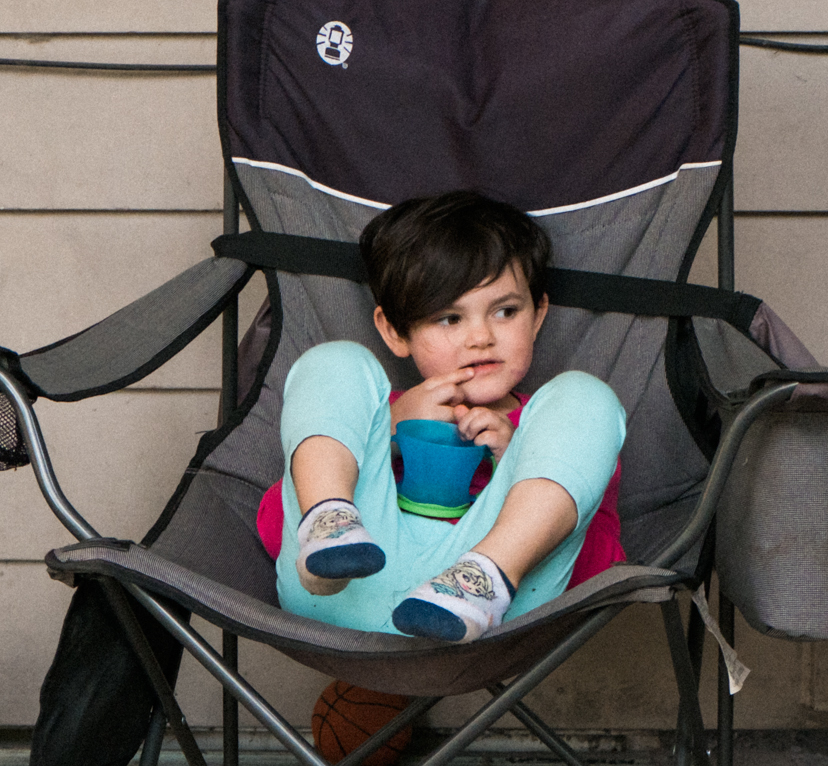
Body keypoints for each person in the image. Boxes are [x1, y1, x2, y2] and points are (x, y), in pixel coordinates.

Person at [255, 190, 626, 643]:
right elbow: (277, 518)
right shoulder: (365, 413)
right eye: (449, 318)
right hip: (342, 592)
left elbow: (599, 560)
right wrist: (388, 431)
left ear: (537, 314)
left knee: (587, 396)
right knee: (334, 362)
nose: (481, 338)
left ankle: (483, 578)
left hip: (505, 608)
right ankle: (330, 520)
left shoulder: (559, 430)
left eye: (505, 311)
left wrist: (518, 460)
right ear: (395, 331)